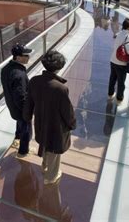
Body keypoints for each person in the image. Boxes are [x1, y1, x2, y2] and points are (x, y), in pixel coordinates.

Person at [24, 50, 76, 185]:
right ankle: (50, 177)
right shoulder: (60, 88)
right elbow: (67, 112)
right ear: (59, 67)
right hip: (56, 125)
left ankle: (45, 165)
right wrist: (72, 124)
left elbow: (29, 102)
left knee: (45, 143)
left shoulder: (34, 81)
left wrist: (27, 116)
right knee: (54, 149)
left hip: (41, 121)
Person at [0, 43, 33, 158]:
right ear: (18, 57)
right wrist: (28, 111)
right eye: (26, 55)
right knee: (26, 129)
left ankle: (17, 139)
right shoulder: (20, 75)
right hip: (20, 108)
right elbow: (21, 97)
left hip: (11, 104)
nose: (29, 57)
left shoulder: (5, 69)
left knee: (19, 123)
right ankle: (23, 151)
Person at [108, 18, 129, 102]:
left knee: (112, 78)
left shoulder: (119, 33)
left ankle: (110, 94)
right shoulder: (128, 36)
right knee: (121, 82)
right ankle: (119, 98)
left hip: (113, 60)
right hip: (121, 63)